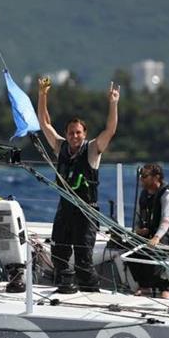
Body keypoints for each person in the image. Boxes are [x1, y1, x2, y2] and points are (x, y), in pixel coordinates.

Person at [37, 78, 119, 293]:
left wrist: (113, 103)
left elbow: (110, 130)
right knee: (59, 255)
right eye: (71, 133)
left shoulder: (92, 150)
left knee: (83, 259)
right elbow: (44, 123)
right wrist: (42, 94)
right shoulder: (60, 147)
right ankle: (63, 289)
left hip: (86, 212)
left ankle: (91, 292)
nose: (74, 136)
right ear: (66, 134)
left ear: (85, 134)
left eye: (78, 133)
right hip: (65, 210)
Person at [128, 163, 169, 300]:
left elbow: (167, 219)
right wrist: (138, 230)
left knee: (153, 253)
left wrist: (157, 237)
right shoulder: (144, 195)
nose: (141, 179)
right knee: (129, 251)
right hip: (152, 231)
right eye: (141, 176)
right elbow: (139, 216)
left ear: (156, 177)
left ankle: (164, 286)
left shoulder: (167, 195)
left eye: (145, 176)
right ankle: (144, 285)